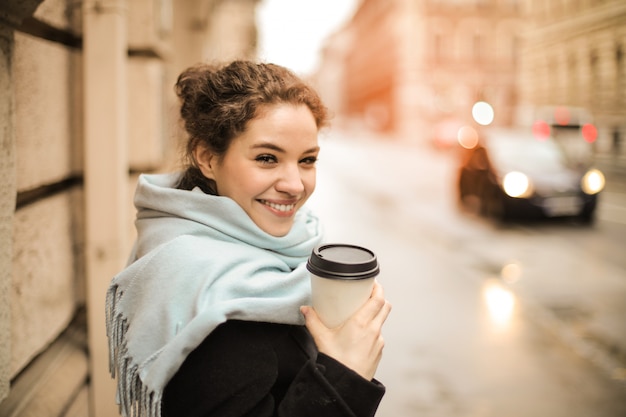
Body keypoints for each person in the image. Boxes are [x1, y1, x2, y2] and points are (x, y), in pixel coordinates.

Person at [106, 60, 392, 417]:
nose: (294, 185)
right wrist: (343, 374)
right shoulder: (213, 300)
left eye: (307, 160)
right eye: (267, 158)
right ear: (208, 158)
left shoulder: (247, 251)